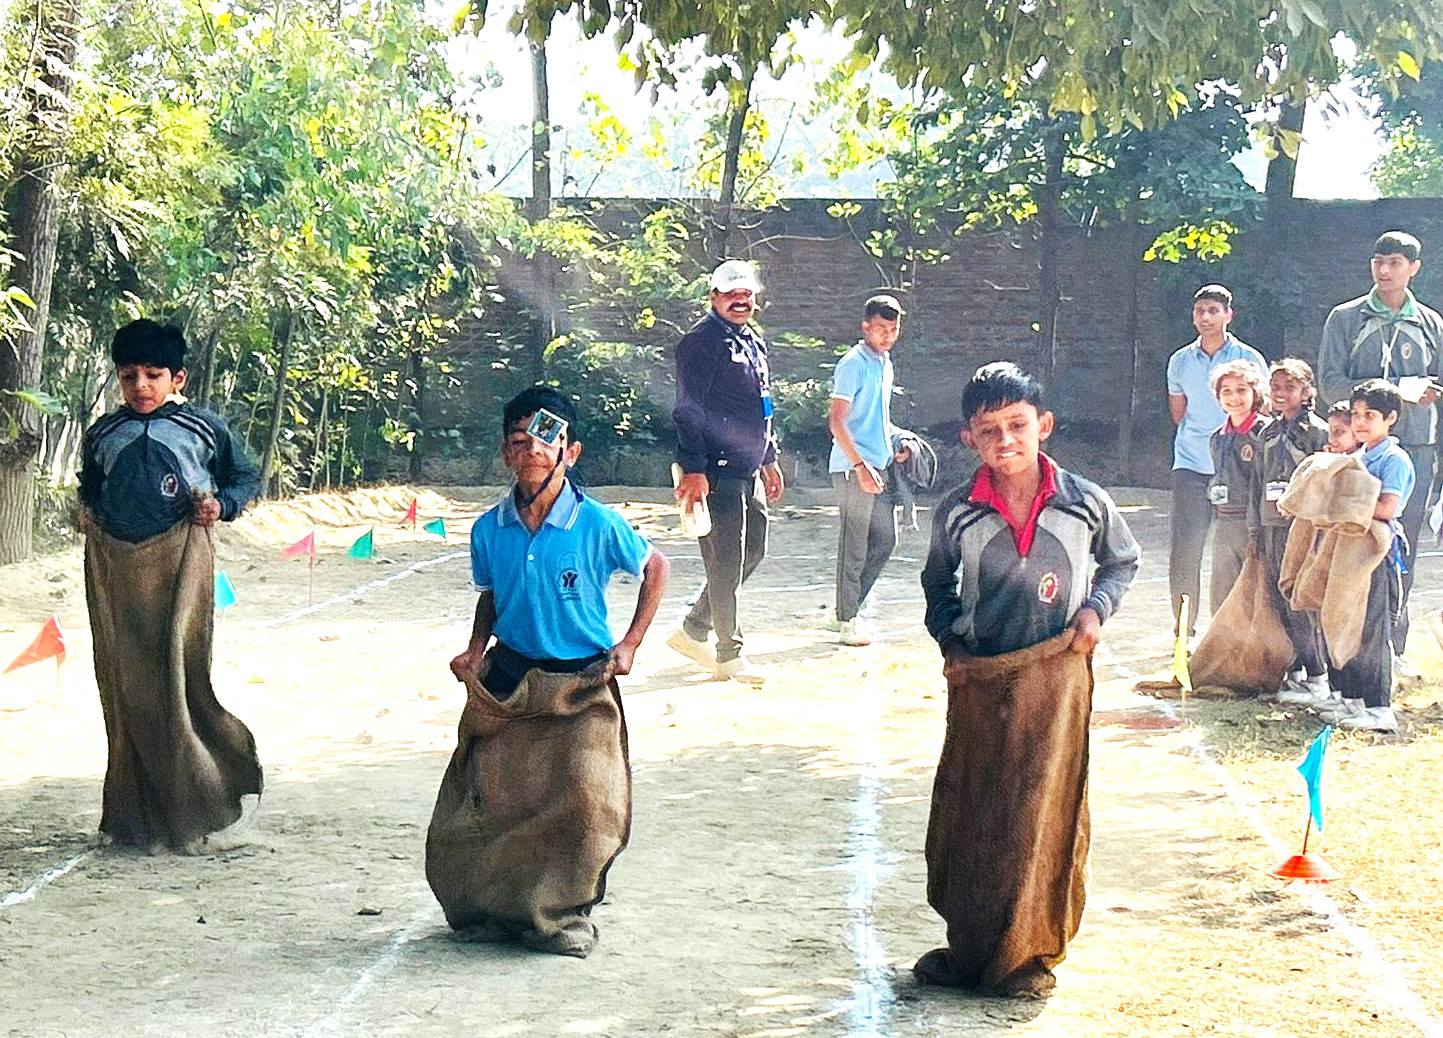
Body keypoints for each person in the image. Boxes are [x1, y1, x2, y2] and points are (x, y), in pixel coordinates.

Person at [916, 363, 1139, 997]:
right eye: (989, 430)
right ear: (970, 439)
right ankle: (973, 946)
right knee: (978, 807)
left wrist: (1095, 611)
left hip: (1057, 676)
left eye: (1017, 425)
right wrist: (952, 644)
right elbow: (937, 584)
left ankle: (1027, 953)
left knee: (1041, 811)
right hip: (982, 677)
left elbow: (1121, 562)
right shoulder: (958, 512)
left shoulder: (1085, 502)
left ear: (1044, 425)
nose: (1005, 440)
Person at [429, 386, 670, 957]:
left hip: (582, 683)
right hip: (510, 681)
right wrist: (474, 648)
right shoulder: (488, 529)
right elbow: (492, 595)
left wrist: (630, 643)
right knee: (492, 800)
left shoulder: (598, 523)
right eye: (520, 439)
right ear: (505, 453)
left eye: (547, 437)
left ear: (571, 451)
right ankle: (493, 911)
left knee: (586, 801)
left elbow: (656, 567)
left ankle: (562, 917)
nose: (533, 449)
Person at [77, 318, 263, 853]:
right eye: (128, 375)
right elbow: (91, 488)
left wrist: (220, 506)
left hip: (181, 565)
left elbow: (245, 476)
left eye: (153, 375)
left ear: (177, 379)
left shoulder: (203, 429)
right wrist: (86, 512)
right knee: (125, 687)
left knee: (179, 681)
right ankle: (137, 819)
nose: (140, 386)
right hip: (116, 572)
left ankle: (195, 807)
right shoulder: (102, 434)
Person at [1317, 231, 1443, 660]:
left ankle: (1393, 647)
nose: (1384, 271)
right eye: (1378, 262)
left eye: (1394, 263)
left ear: (1414, 268)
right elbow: (1330, 383)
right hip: (1361, 451)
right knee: (1351, 539)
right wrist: (1397, 391)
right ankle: (1344, 647)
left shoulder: (1431, 323)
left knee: (1402, 545)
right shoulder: (1346, 318)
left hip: (1417, 448)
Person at [667, 259, 785, 682]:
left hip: (749, 466)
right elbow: (688, 410)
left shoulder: (752, 340)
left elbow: (762, 404)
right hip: (715, 470)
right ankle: (728, 652)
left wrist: (769, 457)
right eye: (731, 293)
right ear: (713, 297)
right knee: (725, 560)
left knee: (753, 551)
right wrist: (694, 468)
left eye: (746, 293)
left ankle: (693, 629)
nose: (740, 300)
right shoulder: (700, 343)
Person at [1166, 285, 1268, 633]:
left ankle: (1236, 629)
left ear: (1228, 315)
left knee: (1240, 548)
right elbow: (1178, 413)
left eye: (1213, 310)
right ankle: (1184, 629)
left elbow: (1261, 410)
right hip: (1192, 463)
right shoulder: (1180, 361)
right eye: (1200, 311)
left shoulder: (1248, 358)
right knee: (1186, 549)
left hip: (1239, 468)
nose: (1205, 318)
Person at [1315, 380, 1415, 733]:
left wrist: (1345, 503)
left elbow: (1387, 508)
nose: (1360, 422)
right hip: (1349, 550)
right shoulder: (1357, 457)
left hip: (1378, 553)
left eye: (1370, 415)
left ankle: (1379, 707)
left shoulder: (1393, 459)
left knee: (1372, 631)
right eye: (1356, 414)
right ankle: (1352, 699)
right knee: (1346, 622)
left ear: (1391, 418)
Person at [828, 293, 911, 646]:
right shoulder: (853, 364)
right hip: (852, 467)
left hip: (880, 464)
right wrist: (860, 465)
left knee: (886, 539)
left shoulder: (884, 363)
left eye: (893, 329)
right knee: (855, 545)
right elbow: (837, 421)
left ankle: (844, 608)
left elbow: (876, 418)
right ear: (865, 327)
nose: (887, 335)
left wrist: (898, 443)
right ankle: (848, 620)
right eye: (880, 328)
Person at [1254, 360, 1331, 704]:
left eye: (1290, 387)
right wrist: (1254, 530)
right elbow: (1258, 484)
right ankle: (1294, 669)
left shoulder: (1318, 432)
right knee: (1277, 599)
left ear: (1307, 391)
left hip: (1302, 527)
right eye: (1276, 387)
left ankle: (1318, 674)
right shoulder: (1267, 433)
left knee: (1300, 600)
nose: (1281, 393)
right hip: (1271, 525)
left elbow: (1324, 482)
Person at [1206, 360, 1268, 613]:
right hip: (1224, 522)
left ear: (1255, 393)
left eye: (1241, 390)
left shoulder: (1265, 433)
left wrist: (1258, 529)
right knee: (1222, 592)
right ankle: (1222, 638)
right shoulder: (1217, 437)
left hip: (1254, 523)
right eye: (1227, 391)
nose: (1234, 398)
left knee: (1256, 592)